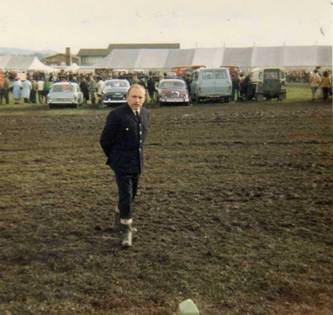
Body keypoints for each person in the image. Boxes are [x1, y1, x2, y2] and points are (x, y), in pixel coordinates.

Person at [100, 84, 150, 247]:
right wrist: (115, 158)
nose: (137, 100)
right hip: (121, 163)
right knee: (126, 195)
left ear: (145, 99)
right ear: (127, 97)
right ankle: (126, 229)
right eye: (134, 97)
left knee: (132, 194)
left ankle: (119, 215)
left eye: (140, 97)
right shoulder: (116, 115)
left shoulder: (145, 114)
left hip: (137, 162)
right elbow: (105, 140)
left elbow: (141, 139)